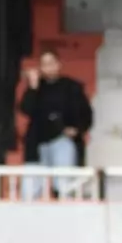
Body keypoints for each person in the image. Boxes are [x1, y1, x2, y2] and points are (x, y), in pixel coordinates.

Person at [18, 51, 92, 201]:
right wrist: (33, 87)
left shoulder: (71, 87)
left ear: (59, 64)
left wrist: (76, 129)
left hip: (62, 139)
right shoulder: (37, 87)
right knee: (29, 190)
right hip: (37, 142)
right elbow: (25, 109)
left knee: (64, 186)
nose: (48, 68)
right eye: (44, 64)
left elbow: (86, 114)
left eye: (51, 63)